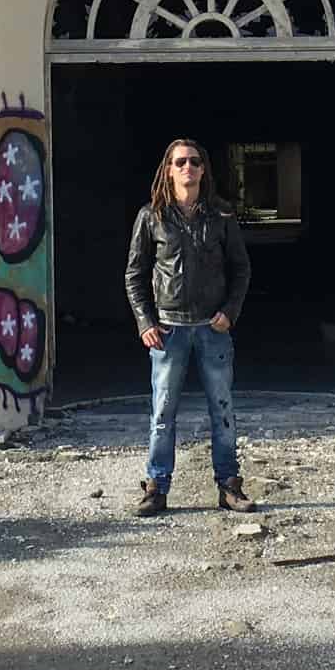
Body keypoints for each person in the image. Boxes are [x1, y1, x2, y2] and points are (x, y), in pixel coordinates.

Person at [124, 137, 254, 517]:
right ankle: (156, 488)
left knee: (223, 409)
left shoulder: (222, 216)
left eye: (195, 161)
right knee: (162, 412)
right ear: (168, 169)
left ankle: (229, 485)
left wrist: (230, 311)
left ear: (203, 169)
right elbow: (135, 273)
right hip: (168, 330)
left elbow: (241, 269)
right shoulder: (152, 216)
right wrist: (145, 320)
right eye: (180, 161)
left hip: (212, 328)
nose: (188, 167)